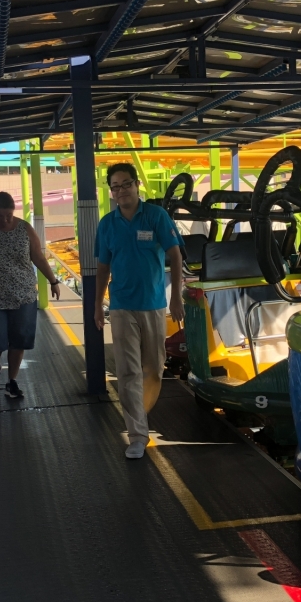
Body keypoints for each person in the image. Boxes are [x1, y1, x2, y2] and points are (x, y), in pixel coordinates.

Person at [94, 164, 184, 459]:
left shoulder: (156, 216)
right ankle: (137, 434)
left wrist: (177, 297)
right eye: (115, 187)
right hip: (121, 306)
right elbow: (103, 267)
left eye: (125, 184)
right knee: (128, 371)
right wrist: (98, 304)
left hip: (154, 304)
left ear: (137, 185)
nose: (121, 191)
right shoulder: (107, 224)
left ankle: (139, 415)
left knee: (154, 369)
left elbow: (174, 254)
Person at [0, 191, 61, 399]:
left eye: (9, 215)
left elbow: (38, 257)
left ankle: (12, 381)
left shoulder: (25, 228)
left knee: (19, 340)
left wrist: (53, 281)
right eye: (0, 216)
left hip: (24, 295)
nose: (5, 220)